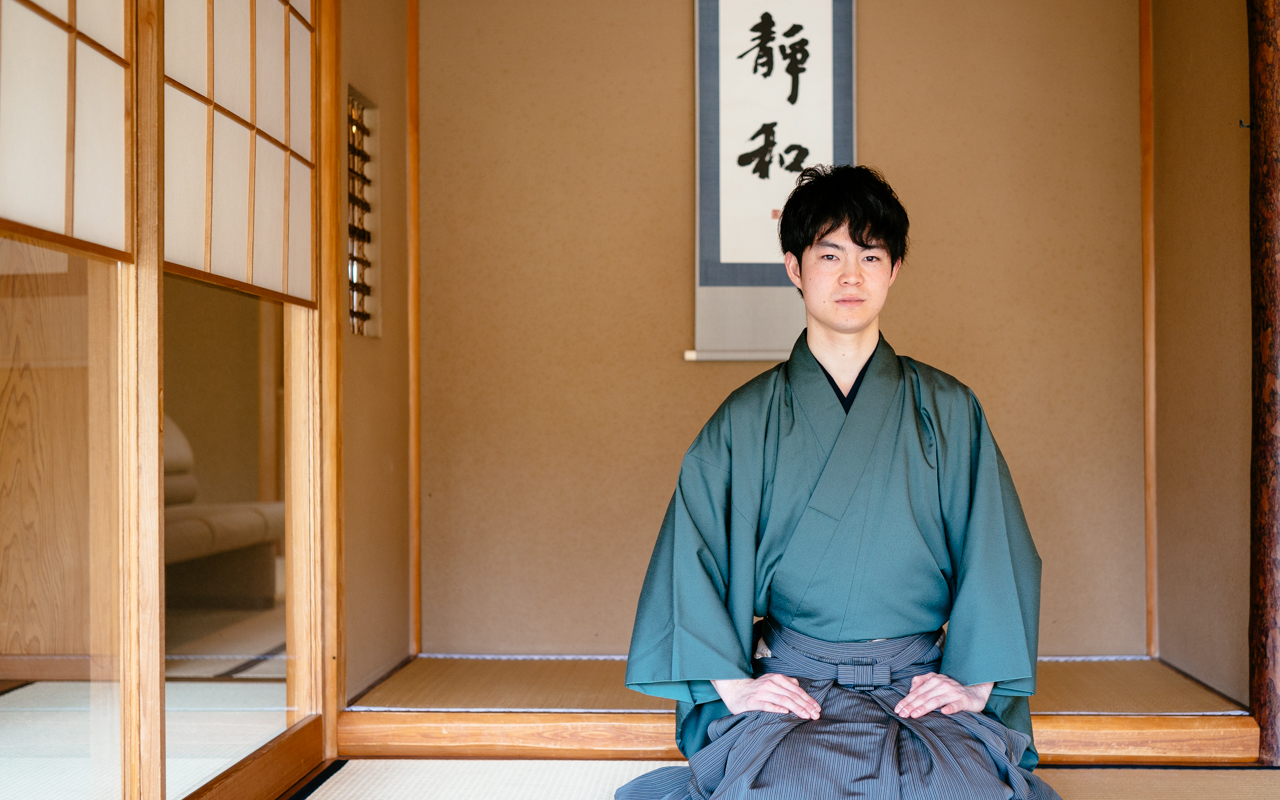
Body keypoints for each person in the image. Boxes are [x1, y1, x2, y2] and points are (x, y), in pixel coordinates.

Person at [616, 165, 1060, 800]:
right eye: (829, 254)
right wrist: (735, 685)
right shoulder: (746, 419)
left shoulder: (949, 409)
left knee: (967, 792)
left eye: (871, 255)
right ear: (794, 267)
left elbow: (999, 548)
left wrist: (974, 682)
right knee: (776, 789)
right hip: (797, 685)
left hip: (917, 683)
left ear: (894, 270)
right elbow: (691, 556)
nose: (851, 276)